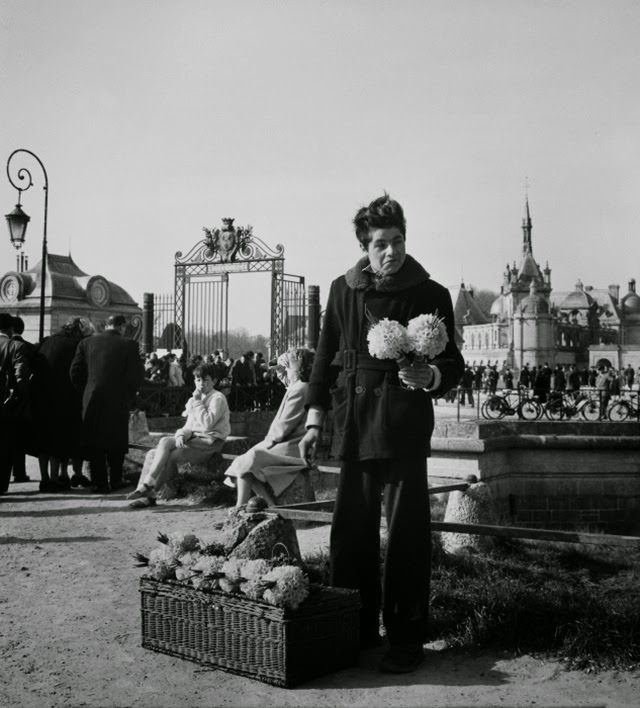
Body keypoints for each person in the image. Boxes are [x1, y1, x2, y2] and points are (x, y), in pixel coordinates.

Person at [299, 194, 464, 674]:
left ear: (405, 240)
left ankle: (406, 637)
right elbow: (322, 358)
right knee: (350, 529)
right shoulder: (341, 290)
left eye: (397, 241)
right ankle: (353, 629)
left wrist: (431, 377)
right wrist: (314, 418)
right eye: (379, 244)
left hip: (404, 425)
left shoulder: (431, 293)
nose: (389, 252)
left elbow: (454, 364)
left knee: (408, 532)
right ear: (364, 246)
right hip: (353, 422)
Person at [127, 363, 230, 508]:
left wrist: (198, 402)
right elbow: (190, 425)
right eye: (198, 380)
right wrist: (181, 435)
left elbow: (207, 424)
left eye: (206, 380)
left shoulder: (217, 398)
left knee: (167, 455)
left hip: (210, 443)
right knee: (164, 442)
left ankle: (150, 494)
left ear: (214, 381)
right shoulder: (195, 399)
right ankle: (148, 484)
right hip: (194, 440)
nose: (201, 384)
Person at [224, 348, 314, 507]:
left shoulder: (300, 388)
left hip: (294, 446)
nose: (285, 372)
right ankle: (270, 506)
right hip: (293, 443)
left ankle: (241, 507)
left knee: (249, 460)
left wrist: (268, 441)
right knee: (247, 463)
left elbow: (283, 426)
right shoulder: (302, 386)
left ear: (296, 368)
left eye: (287, 368)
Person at [70, 314, 145, 494]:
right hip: (117, 398)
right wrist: (127, 394)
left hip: (92, 398)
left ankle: (99, 482)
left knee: (95, 440)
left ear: (106, 325)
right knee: (115, 439)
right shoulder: (129, 345)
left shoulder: (86, 343)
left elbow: (75, 371)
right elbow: (136, 375)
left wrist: (87, 390)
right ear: (122, 327)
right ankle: (116, 479)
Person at [31, 317, 95, 491]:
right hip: (65, 398)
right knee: (61, 440)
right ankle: (59, 477)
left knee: (44, 440)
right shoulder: (76, 345)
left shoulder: (47, 342)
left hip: (41, 396)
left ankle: (45, 478)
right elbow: (79, 372)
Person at [0, 313, 31, 496]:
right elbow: (21, 377)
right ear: (11, 329)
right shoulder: (16, 346)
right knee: (5, 445)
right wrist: (19, 399)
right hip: (6, 405)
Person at [9, 316, 35, 484]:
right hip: (21, 399)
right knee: (18, 438)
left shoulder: (8, 345)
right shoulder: (31, 348)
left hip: (5, 396)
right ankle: (20, 472)